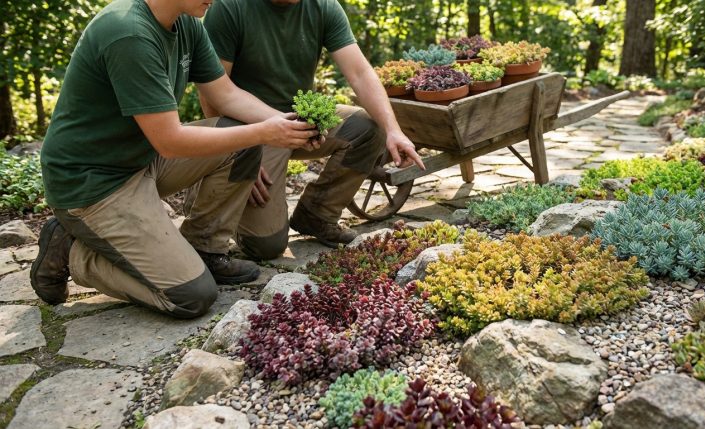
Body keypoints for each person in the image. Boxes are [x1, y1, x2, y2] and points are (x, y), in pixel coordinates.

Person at [30, 0, 321, 318]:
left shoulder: (186, 25)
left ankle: (206, 248)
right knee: (191, 296)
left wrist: (288, 125)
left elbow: (226, 95)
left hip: (141, 160)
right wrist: (263, 133)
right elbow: (169, 141)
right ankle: (70, 251)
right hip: (93, 184)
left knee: (242, 135)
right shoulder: (128, 32)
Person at [200, 0, 425, 258]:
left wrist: (393, 129)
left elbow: (360, 73)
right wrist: (237, 156)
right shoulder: (230, 7)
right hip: (250, 131)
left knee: (370, 127)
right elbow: (213, 93)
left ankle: (316, 214)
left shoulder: (323, 6)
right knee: (267, 246)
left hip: (302, 121)